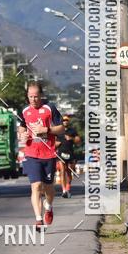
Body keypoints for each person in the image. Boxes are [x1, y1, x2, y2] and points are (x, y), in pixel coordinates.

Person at [17, 81, 64, 232]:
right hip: (31, 153)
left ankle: (48, 207)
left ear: (41, 95)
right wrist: (22, 133)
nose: (33, 100)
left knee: (48, 187)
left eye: (36, 97)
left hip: (48, 153)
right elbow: (22, 125)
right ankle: (38, 220)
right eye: (30, 97)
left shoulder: (50, 108)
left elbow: (61, 129)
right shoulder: (24, 110)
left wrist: (47, 129)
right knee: (36, 186)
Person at [57, 115, 81, 198]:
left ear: (68, 121)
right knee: (62, 170)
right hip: (61, 154)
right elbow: (53, 142)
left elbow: (78, 141)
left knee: (68, 172)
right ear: (61, 121)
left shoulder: (72, 131)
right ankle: (64, 190)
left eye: (66, 120)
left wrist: (71, 138)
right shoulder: (58, 131)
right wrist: (56, 144)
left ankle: (67, 188)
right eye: (63, 120)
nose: (65, 121)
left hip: (70, 154)